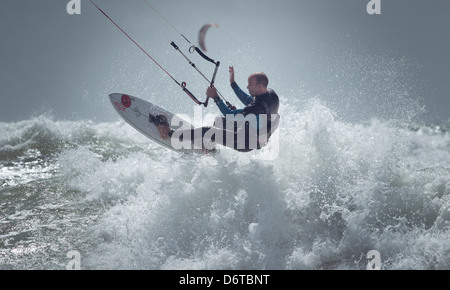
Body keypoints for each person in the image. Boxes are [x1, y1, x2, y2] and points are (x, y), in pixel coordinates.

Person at [150, 66, 280, 153]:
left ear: (260, 86)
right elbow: (248, 100)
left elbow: (229, 114)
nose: (247, 87)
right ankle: (209, 148)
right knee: (218, 121)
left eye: (250, 84)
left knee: (209, 132)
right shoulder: (270, 94)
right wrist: (233, 83)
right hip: (250, 129)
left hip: (247, 142)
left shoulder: (259, 107)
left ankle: (169, 134)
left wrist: (215, 97)